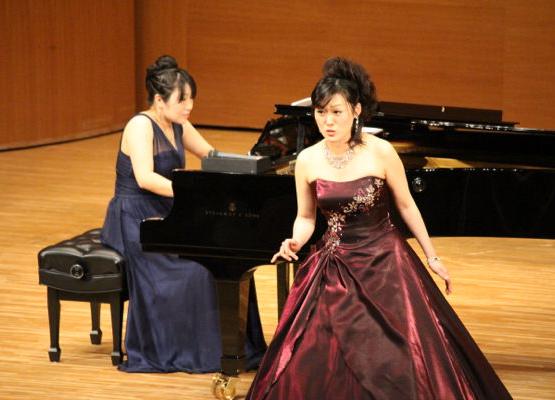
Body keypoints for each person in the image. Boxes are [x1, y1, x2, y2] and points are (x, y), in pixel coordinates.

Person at [246, 57, 512, 399]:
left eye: (336, 112)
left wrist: (432, 257)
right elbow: (307, 217)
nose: (328, 121)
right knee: (316, 352)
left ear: (356, 110)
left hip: (384, 263)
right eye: (321, 112)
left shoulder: (381, 152)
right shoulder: (308, 159)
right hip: (333, 264)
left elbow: (406, 205)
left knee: (399, 353)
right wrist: (295, 241)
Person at [101, 55, 266, 373]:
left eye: (191, 98)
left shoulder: (177, 122)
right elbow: (145, 178)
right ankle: (197, 350)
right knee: (198, 271)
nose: (189, 106)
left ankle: (234, 346)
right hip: (136, 219)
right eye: (183, 99)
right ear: (159, 100)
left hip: (168, 211)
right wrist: (192, 194)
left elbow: (210, 155)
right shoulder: (140, 126)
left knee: (223, 257)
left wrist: (249, 165)